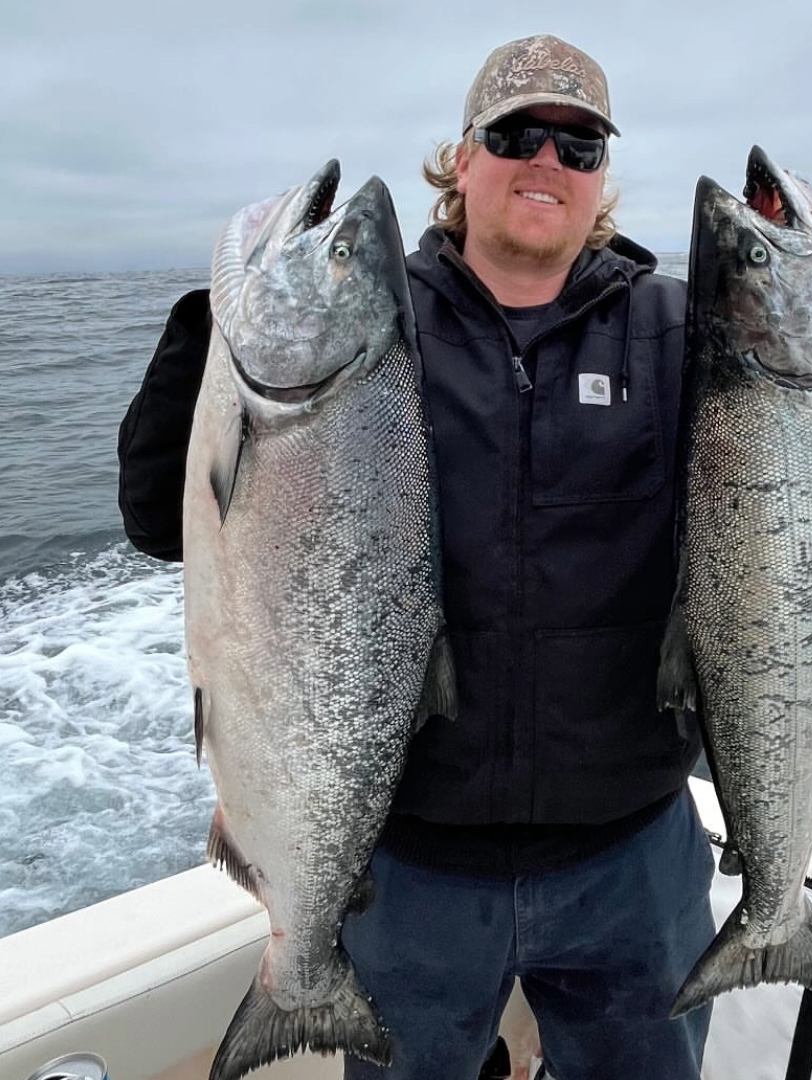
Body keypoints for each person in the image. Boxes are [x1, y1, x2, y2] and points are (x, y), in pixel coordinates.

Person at [117, 33, 716, 1080]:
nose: (548, 161)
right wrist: (218, 332)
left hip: (633, 854)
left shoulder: (673, 333)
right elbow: (158, 521)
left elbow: (781, 528)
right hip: (408, 863)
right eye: (517, 133)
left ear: (603, 179)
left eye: (579, 147)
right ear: (464, 159)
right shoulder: (364, 326)